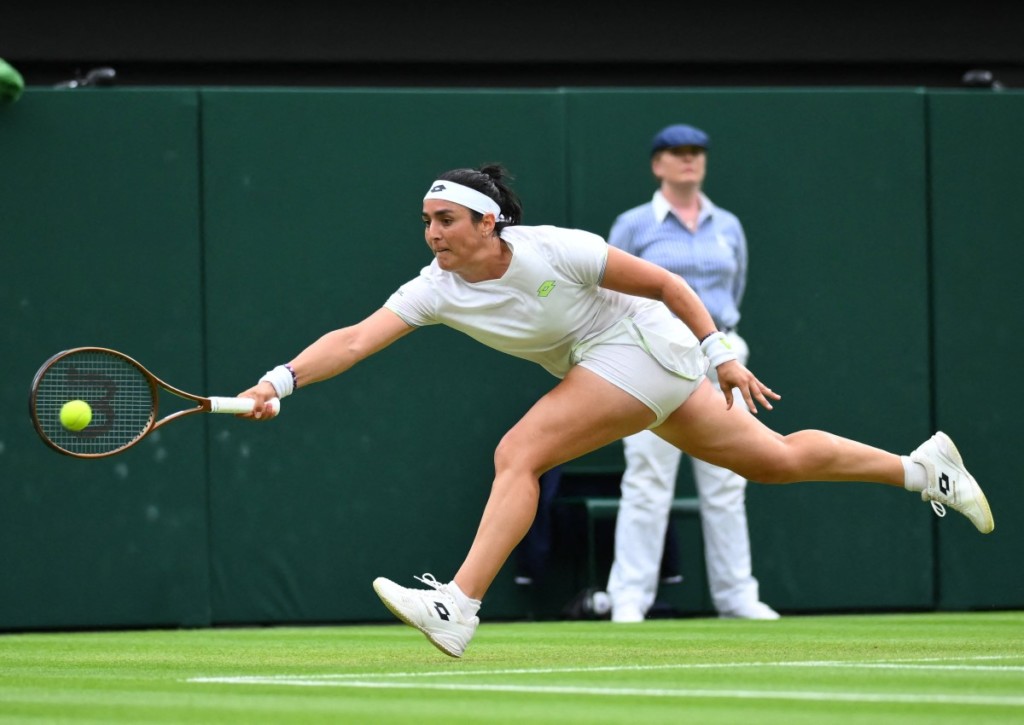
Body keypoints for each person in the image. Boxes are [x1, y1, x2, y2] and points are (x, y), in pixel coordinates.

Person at [238, 163, 994, 659]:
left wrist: (721, 351)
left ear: (485, 223)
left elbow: (667, 284)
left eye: (445, 219)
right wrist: (282, 379)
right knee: (776, 459)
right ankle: (920, 467)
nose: (431, 232)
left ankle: (457, 605)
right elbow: (356, 337)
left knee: (519, 451)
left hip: (651, 343)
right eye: (426, 220)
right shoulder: (433, 286)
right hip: (613, 367)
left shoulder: (553, 248)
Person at [602, 123, 777, 623]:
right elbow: (614, 291)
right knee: (648, 476)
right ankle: (629, 598)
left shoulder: (729, 225)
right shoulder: (634, 225)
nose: (689, 160)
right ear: (657, 163)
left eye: (697, 152)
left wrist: (719, 347)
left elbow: (733, 291)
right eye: (677, 153)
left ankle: (737, 597)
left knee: (729, 476)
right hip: (652, 356)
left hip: (722, 353)